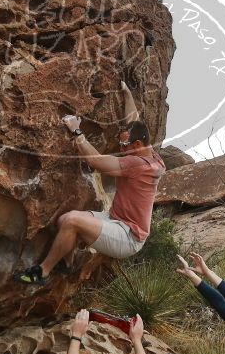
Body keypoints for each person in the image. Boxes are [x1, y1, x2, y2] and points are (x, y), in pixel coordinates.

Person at [15, 81, 166, 285]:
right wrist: (127, 94)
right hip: (115, 219)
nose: (121, 147)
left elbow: (95, 161)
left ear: (137, 144)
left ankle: (42, 272)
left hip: (128, 236)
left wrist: (77, 132)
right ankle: (67, 264)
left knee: (71, 221)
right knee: (64, 220)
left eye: (124, 144)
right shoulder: (152, 155)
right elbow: (134, 120)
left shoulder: (137, 164)